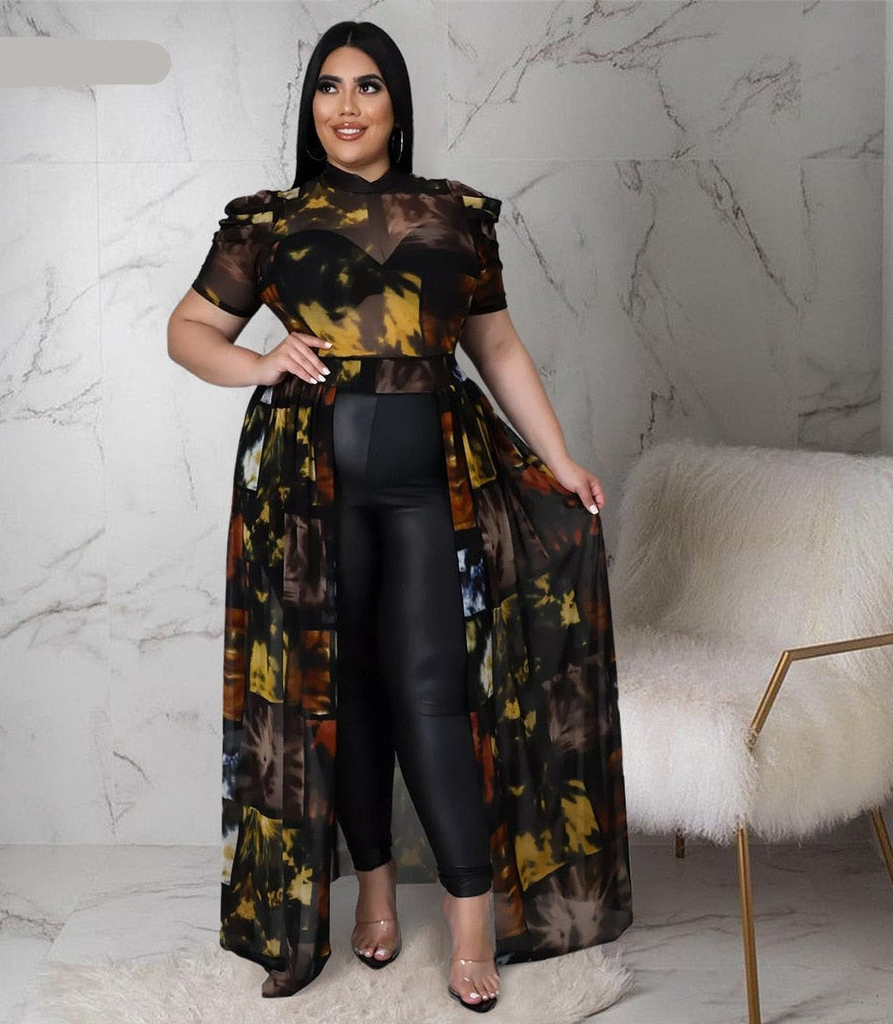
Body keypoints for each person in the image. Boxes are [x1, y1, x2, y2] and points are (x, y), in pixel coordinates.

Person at [166, 20, 632, 1009]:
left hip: (433, 488)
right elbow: (188, 330)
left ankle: (470, 919)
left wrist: (560, 459)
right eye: (328, 87)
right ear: (310, 106)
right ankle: (372, 889)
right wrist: (259, 361)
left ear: (396, 103)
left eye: (367, 86)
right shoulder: (269, 222)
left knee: (430, 690)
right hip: (308, 497)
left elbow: (496, 348)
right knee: (342, 694)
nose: (346, 107)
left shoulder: (456, 215)